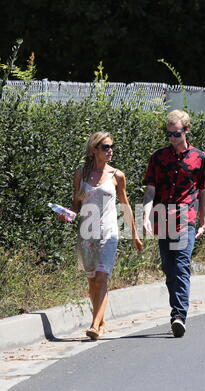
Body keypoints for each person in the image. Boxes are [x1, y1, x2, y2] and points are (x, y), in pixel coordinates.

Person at [64, 131, 142, 340]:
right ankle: (101, 319)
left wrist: (135, 234)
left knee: (102, 277)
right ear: (94, 150)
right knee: (92, 281)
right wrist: (66, 216)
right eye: (105, 147)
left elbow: (125, 206)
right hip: (87, 233)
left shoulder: (117, 175)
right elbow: (75, 205)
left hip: (109, 232)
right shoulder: (81, 175)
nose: (110, 151)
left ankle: (94, 325)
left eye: (111, 147)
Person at [143, 110, 205, 338]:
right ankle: (177, 311)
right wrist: (144, 215)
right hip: (163, 216)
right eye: (169, 134)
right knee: (168, 268)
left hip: (186, 218)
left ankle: (179, 315)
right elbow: (150, 189)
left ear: (187, 130)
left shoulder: (200, 158)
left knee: (181, 265)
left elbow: (204, 191)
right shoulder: (158, 157)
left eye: (176, 133)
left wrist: (203, 220)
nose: (172, 138)